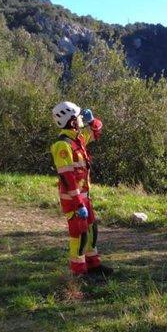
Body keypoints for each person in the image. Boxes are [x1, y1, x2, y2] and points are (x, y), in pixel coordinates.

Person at [50, 101, 113, 277]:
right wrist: (78, 203)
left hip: (85, 196)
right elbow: (67, 178)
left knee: (92, 231)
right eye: (78, 117)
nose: (81, 120)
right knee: (79, 235)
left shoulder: (78, 139)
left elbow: (97, 131)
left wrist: (92, 121)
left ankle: (94, 265)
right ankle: (78, 272)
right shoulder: (63, 145)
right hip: (73, 199)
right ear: (71, 121)